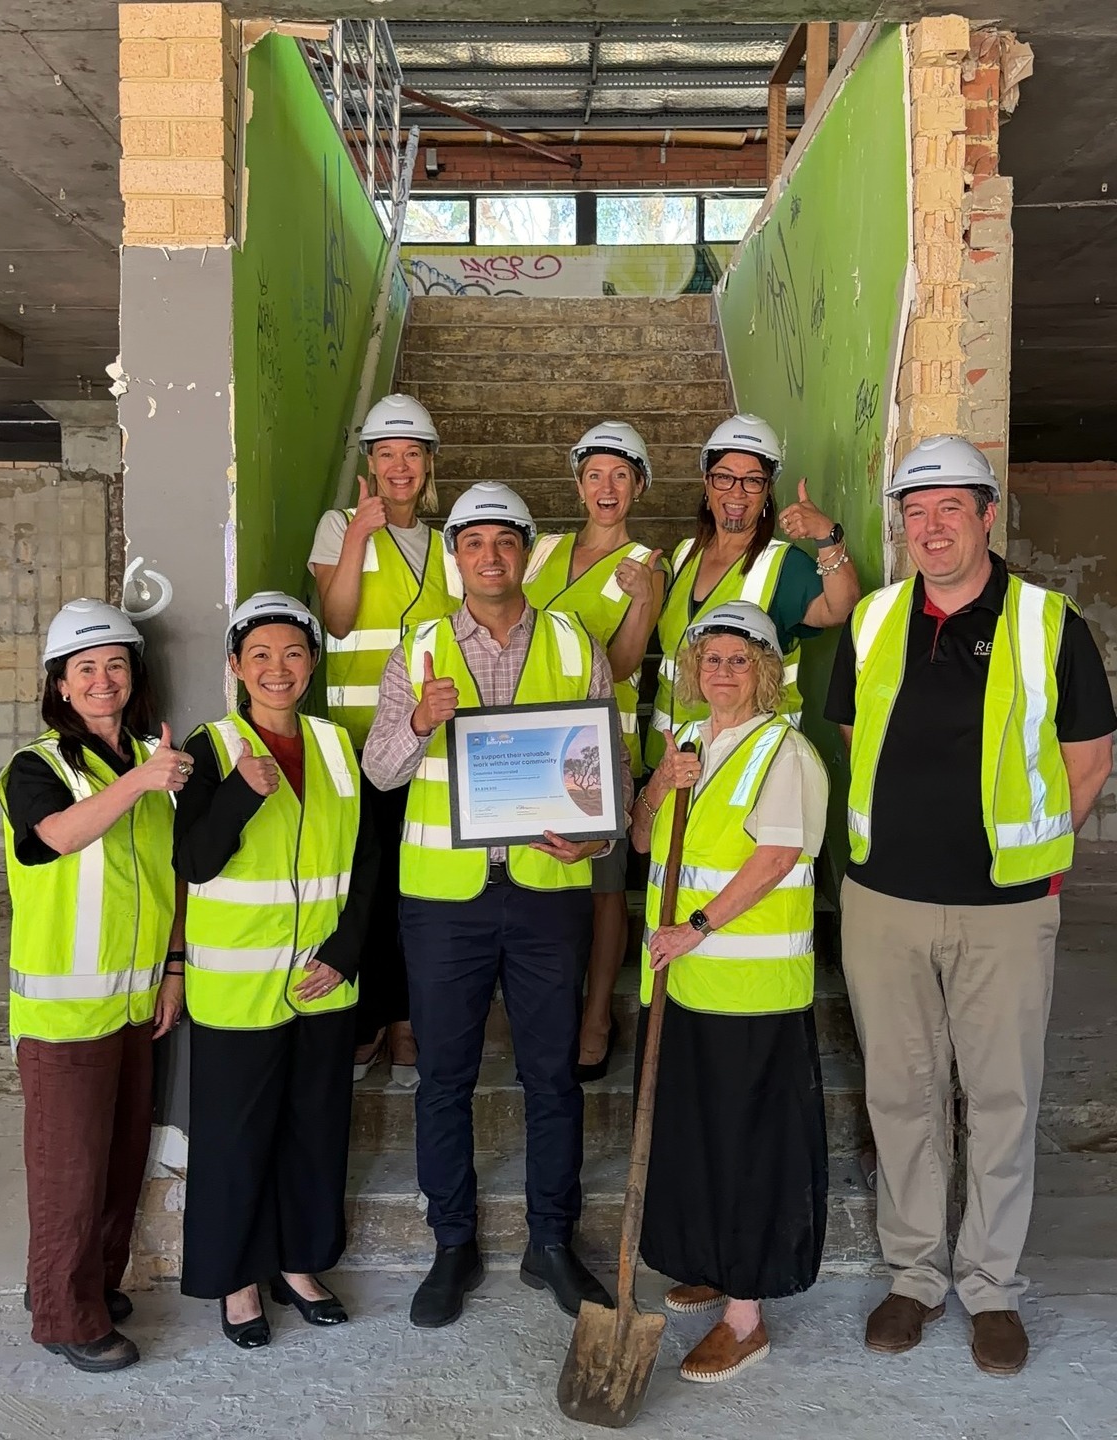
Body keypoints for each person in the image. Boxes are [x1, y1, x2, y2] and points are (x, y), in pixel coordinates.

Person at [825, 436, 1116, 1376]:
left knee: (1000, 1098)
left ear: (989, 515)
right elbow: (853, 733)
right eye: (915, 511)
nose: (932, 526)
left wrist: (1030, 859)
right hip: (884, 903)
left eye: (951, 506)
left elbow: (1088, 761)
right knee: (900, 1095)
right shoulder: (873, 619)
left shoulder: (1047, 622)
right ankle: (914, 1276)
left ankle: (991, 1288)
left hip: (1004, 912)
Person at [362, 482, 631, 1329]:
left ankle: (551, 1242)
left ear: (524, 551)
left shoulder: (572, 640)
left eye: (504, 541)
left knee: (552, 1076)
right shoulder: (419, 648)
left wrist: (596, 839)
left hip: (549, 894)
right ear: (456, 558)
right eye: (474, 543)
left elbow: (610, 764)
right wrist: (419, 722)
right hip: (446, 900)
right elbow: (380, 772)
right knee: (444, 1078)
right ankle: (453, 1244)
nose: (490, 556)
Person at [632, 599, 829, 1383]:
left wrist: (697, 926)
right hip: (683, 985)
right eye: (710, 659)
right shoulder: (687, 742)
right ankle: (714, 1263)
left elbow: (775, 859)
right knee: (698, 1135)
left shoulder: (784, 752)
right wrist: (659, 783)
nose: (721, 672)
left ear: (765, 672)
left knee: (749, 1146)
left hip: (751, 990)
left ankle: (746, 1317)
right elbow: (642, 838)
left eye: (738, 660)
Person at [174, 592, 376, 1349]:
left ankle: (299, 1264)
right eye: (259, 654)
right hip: (239, 987)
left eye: (293, 653)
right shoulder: (211, 748)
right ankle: (235, 1280)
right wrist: (239, 793)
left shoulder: (336, 745)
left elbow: (366, 859)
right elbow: (193, 861)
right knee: (234, 1141)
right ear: (235, 666)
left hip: (323, 981)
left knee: (314, 1131)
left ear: (313, 663)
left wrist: (345, 952)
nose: (277, 668)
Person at [0, 599, 189, 1373]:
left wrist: (173, 970)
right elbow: (55, 838)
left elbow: (173, 876)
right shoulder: (38, 767)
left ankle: (87, 1288)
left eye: (115, 664)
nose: (103, 679)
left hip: (135, 1006)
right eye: (85, 668)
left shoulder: (148, 759)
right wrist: (141, 781)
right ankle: (65, 1317)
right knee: (68, 1175)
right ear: (60, 685)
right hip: (63, 1015)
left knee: (117, 1165)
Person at [310, 393, 462, 1088]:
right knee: (364, 886)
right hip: (354, 746)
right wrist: (359, 537)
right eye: (386, 454)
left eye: (412, 454)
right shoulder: (339, 526)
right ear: (369, 463)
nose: (400, 466)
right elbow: (337, 621)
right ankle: (370, 1018)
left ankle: (404, 1021)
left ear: (428, 464)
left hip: (425, 746)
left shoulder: (449, 545)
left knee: (411, 888)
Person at [524, 421, 667, 1080]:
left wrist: (641, 606)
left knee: (605, 888)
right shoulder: (543, 547)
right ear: (578, 483)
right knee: (540, 878)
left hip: (597, 742)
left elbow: (626, 661)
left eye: (620, 475)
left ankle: (597, 1015)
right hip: (531, 737)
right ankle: (547, 1007)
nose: (606, 488)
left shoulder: (646, 564)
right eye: (594, 475)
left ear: (638, 485)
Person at [645, 412, 859, 770]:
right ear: (706, 483)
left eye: (753, 481)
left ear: (767, 491)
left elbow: (842, 608)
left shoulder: (783, 564)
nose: (737, 492)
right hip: (671, 759)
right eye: (724, 477)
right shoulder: (684, 555)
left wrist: (826, 535)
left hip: (749, 762)